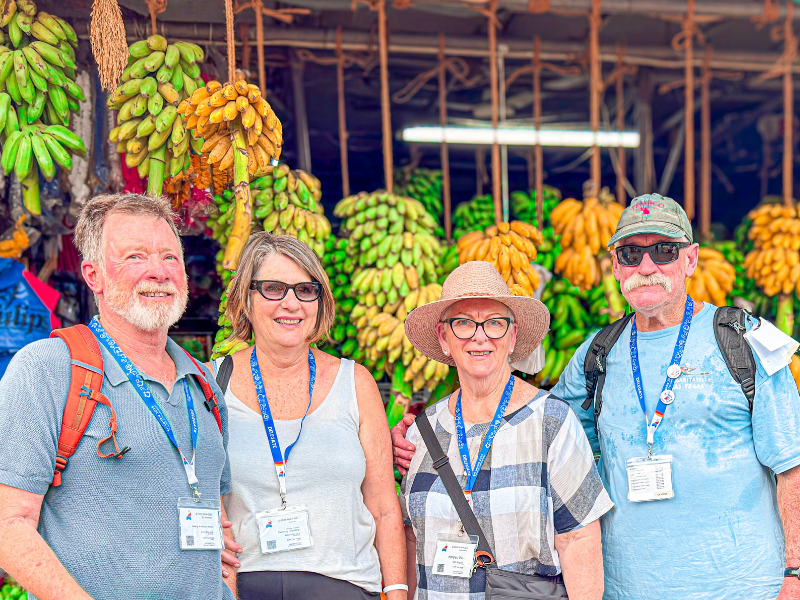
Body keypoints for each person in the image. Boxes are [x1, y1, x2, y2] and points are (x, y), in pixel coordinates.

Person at [394, 194, 800, 600]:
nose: (646, 266)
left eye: (664, 251)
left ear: (690, 260)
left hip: (745, 587)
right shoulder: (598, 353)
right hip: (626, 589)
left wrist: (795, 573)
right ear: (615, 266)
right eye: (630, 253)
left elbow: (793, 467)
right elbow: (522, 425)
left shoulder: (742, 341)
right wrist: (423, 437)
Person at [0, 194, 236, 600]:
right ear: (94, 276)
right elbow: (9, 523)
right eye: (134, 257)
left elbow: (217, 516)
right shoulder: (47, 368)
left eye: (170, 257)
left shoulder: (204, 385)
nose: (158, 272)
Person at [208, 232, 407, 600]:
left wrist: (396, 592)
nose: (291, 303)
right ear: (245, 300)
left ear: (320, 301)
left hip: (344, 585)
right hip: (243, 587)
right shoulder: (211, 382)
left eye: (305, 290)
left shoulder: (355, 382)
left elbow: (383, 506)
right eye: (272, 288)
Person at [398, 260, 613, 600]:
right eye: (463, 323)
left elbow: (578, 539)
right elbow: (411, 537)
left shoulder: (551, 422)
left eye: (494, 323)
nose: (480, 336)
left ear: (512, 337)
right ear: (443, 337)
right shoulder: (421, 432)